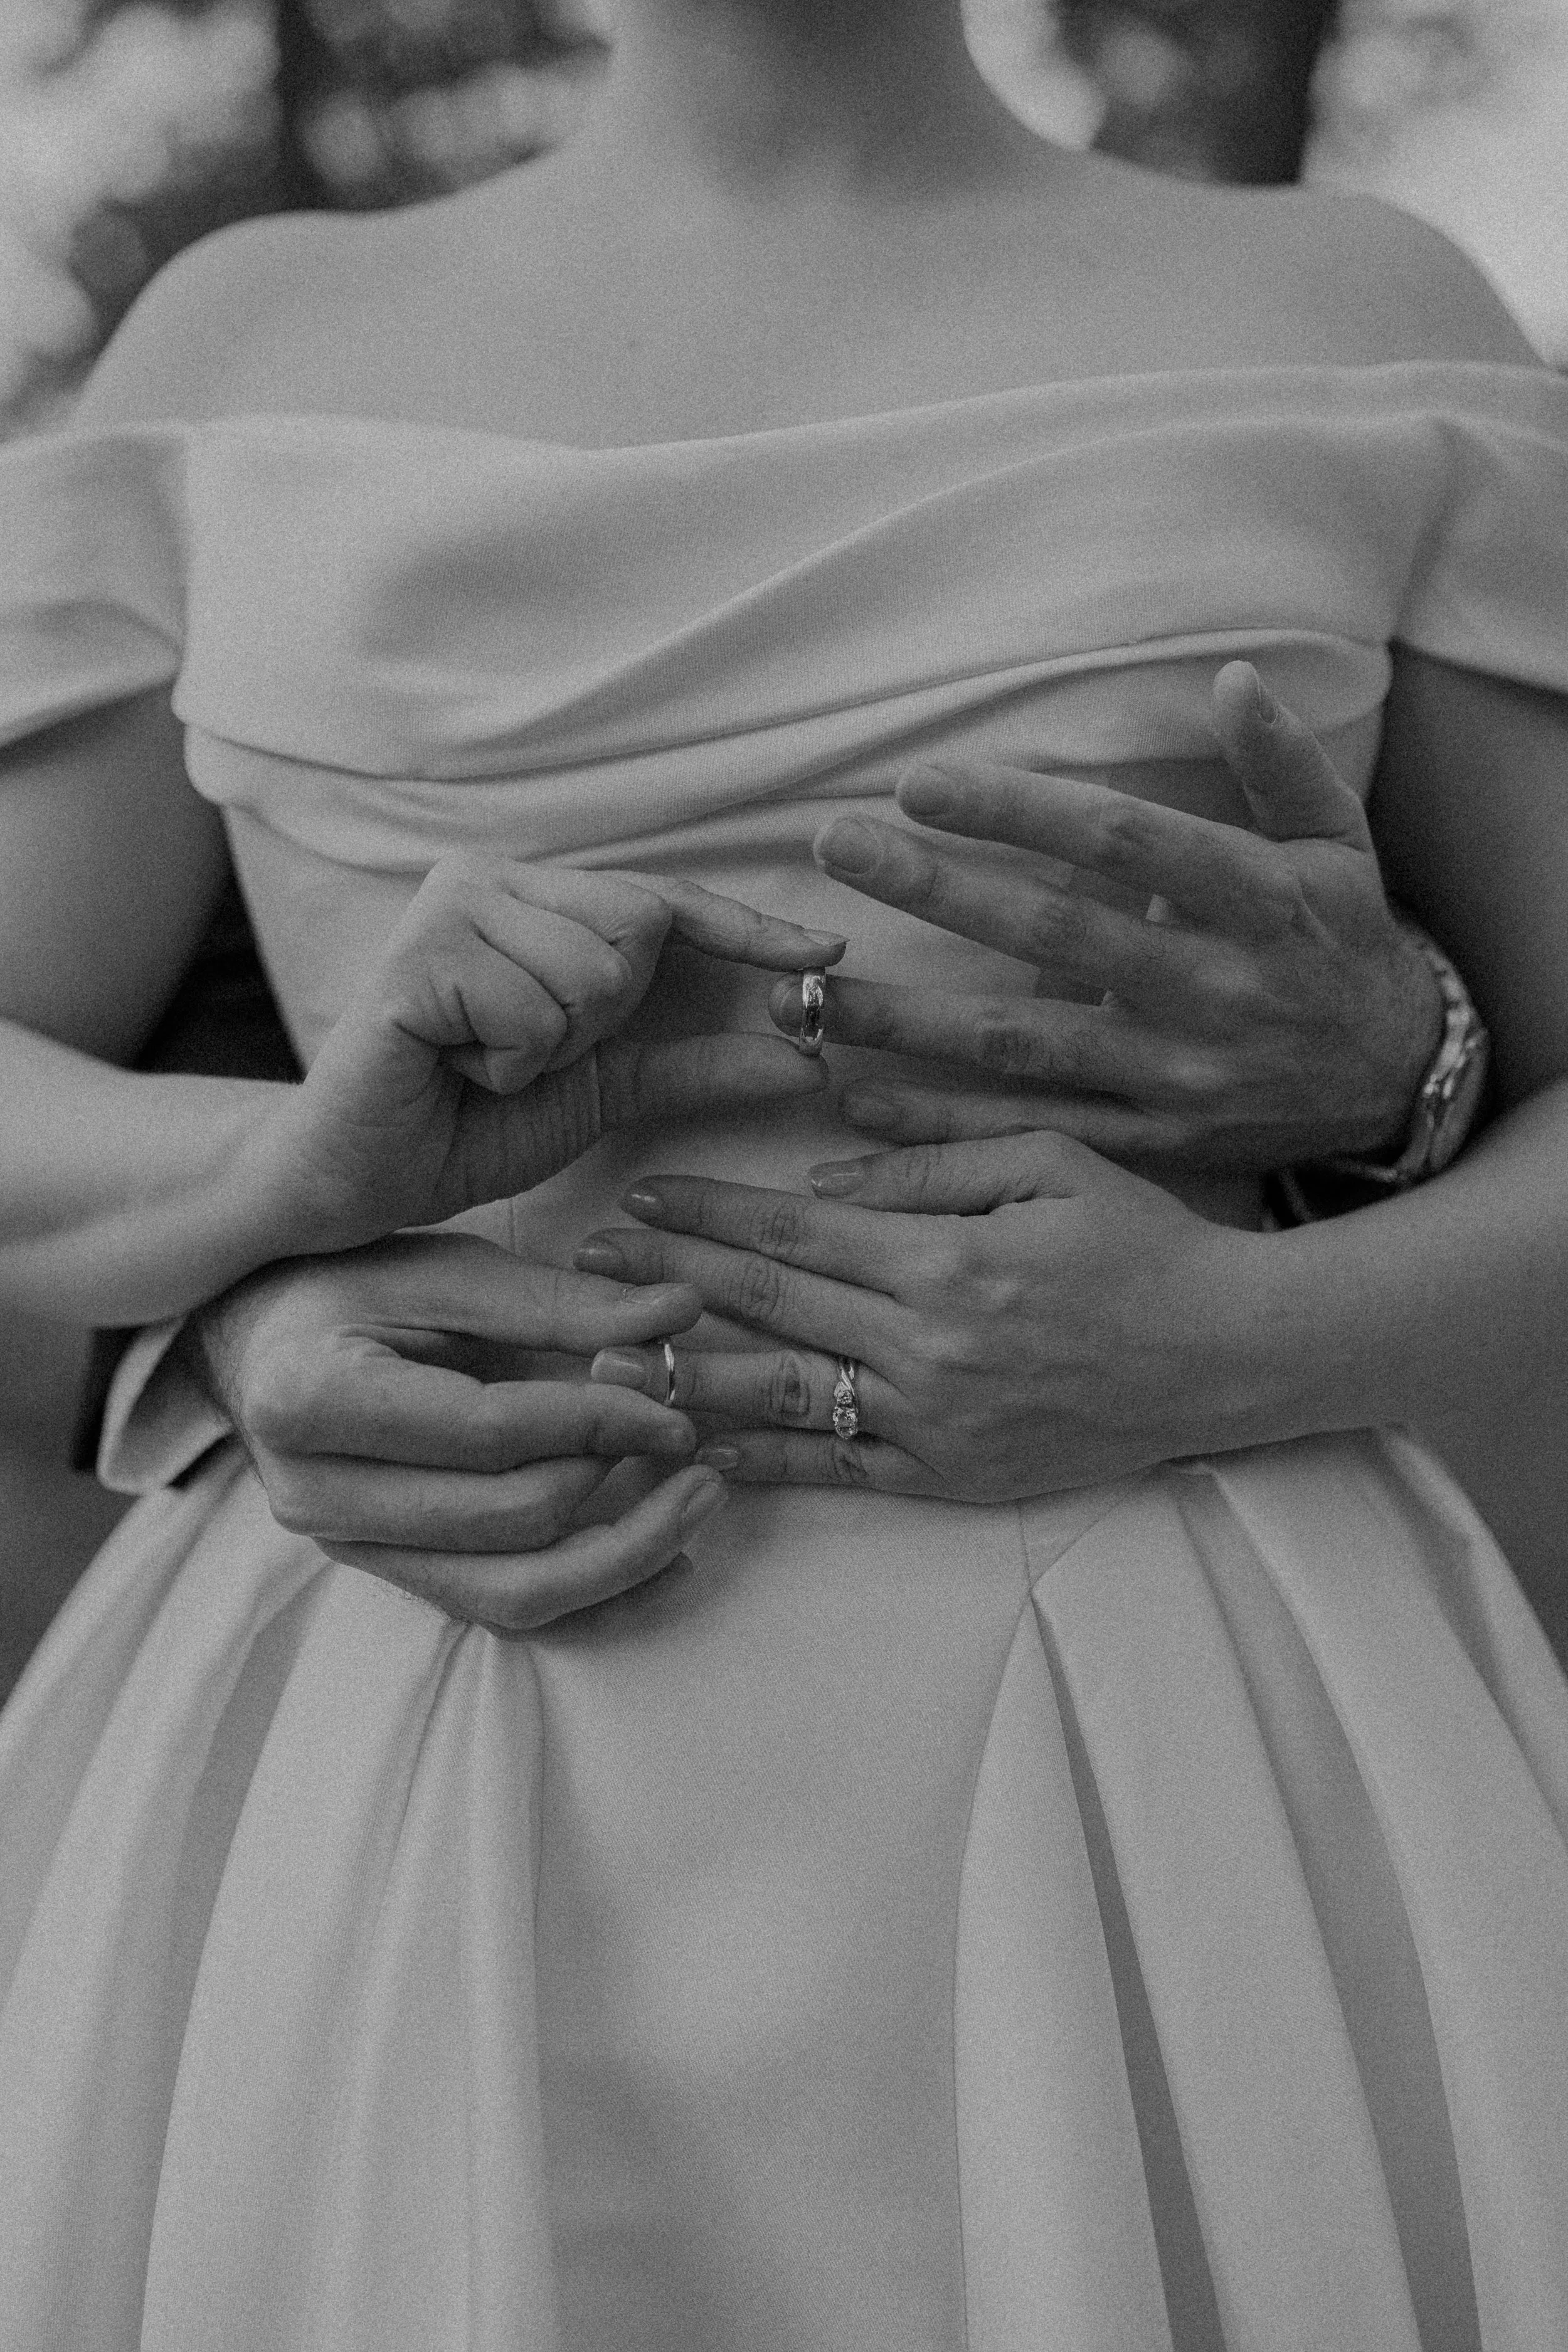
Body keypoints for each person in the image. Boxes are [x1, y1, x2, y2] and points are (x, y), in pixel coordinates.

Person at [1, 0, 1566, 2343]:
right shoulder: (247, 347)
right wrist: (259, 1247)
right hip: (412, 1707)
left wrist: (1254, 1324)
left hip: (1186, 1756)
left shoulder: (1357, 325)